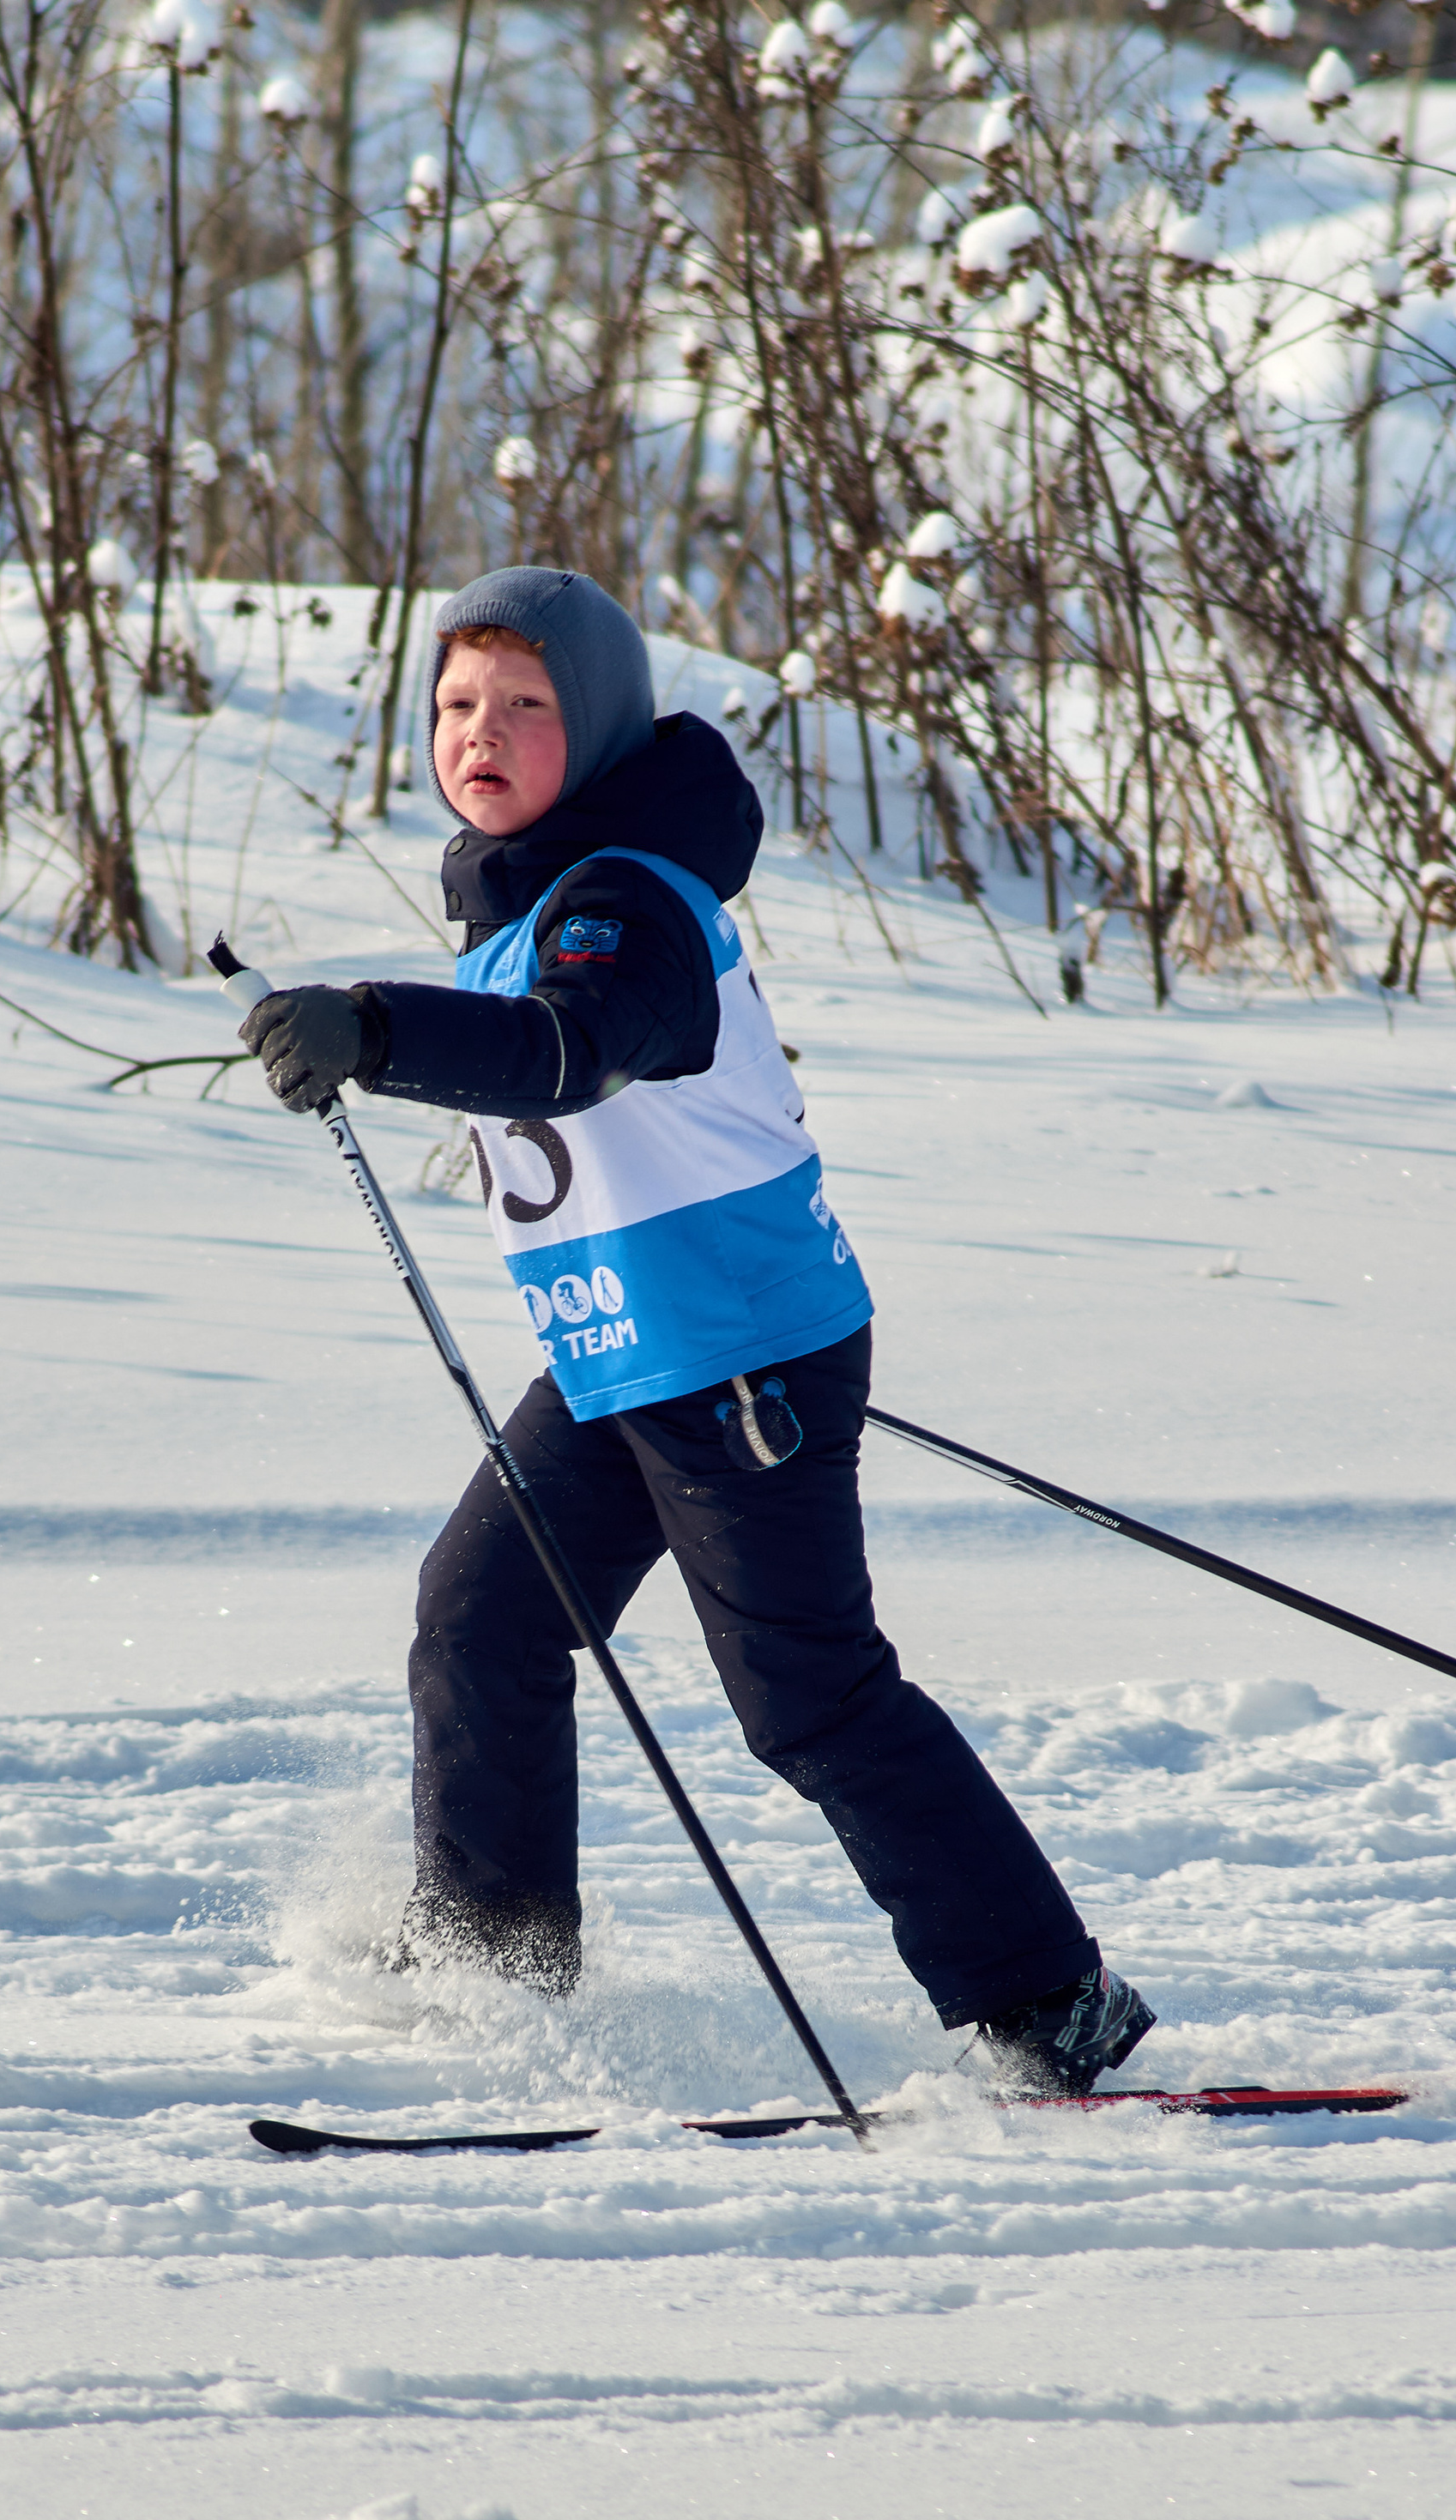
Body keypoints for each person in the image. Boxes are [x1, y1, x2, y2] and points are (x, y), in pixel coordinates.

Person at [240, 565, 1153, 2095]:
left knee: (810, 1699)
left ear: (592, 726)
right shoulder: (532, 900)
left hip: (738, 1367)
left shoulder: (624, 904)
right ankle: (492, 1963)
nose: (482, 730)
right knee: (484, 1620)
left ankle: (1049, 2004)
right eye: (458, 702)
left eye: (526, 704)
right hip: (620, 1361)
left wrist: (377, 1029)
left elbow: (570, 1051)